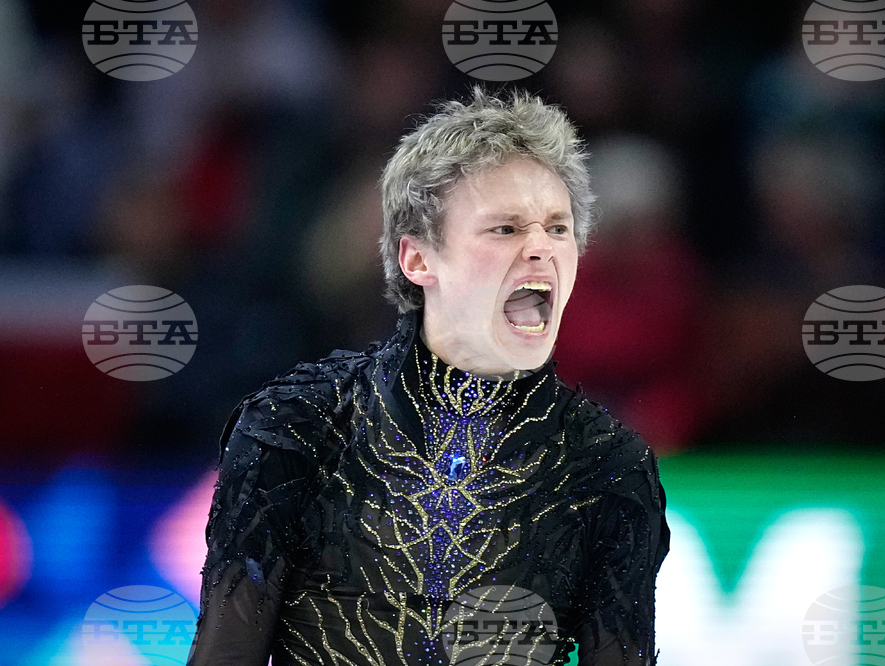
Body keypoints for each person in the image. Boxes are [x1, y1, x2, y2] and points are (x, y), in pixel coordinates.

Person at [187, 88, 670, 666]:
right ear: (417, 259)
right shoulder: (298, 427)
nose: (541, 248)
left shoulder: (608, 467)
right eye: (506, 228)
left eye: (558, 228)